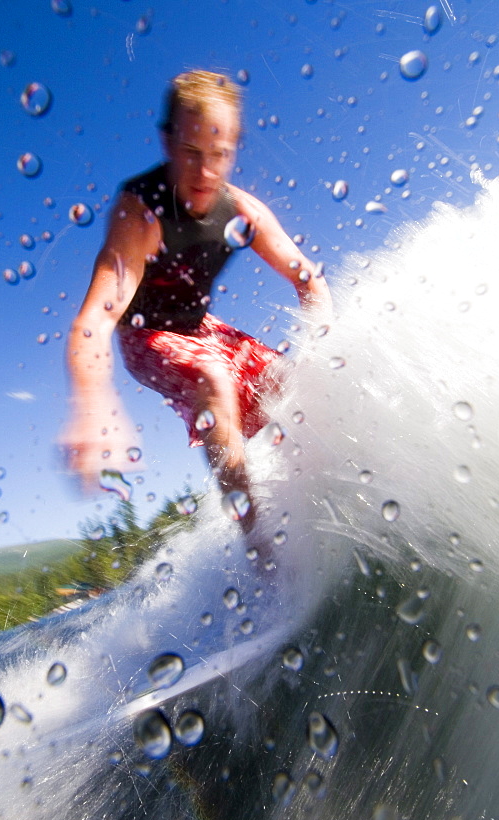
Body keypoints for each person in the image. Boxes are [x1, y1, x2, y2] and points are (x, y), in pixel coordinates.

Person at [61, 69, 331, 533]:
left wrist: (326, 353)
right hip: (143, 334)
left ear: (234, 149)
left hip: (203, 327)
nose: (205, 173)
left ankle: (325, 498)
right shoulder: (140, 212)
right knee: (213, 377)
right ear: (167, 144)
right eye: (190, 153)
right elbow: (94, 321)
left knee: (293, 386)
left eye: (219, 155)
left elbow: (311, 282)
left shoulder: (245, 210)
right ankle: (260, 546)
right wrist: (92, 403)